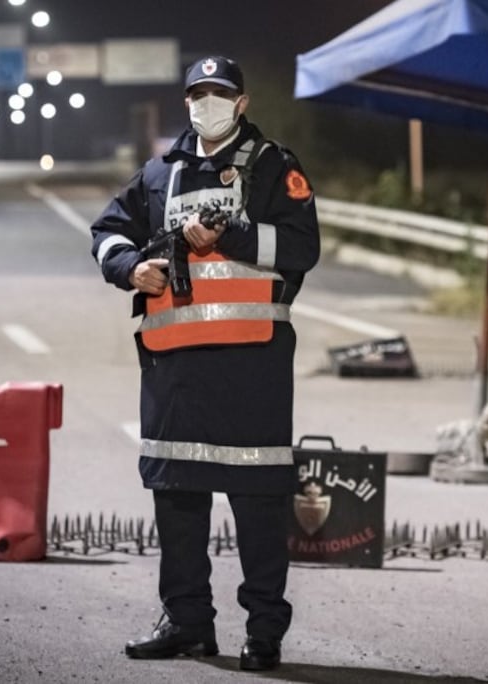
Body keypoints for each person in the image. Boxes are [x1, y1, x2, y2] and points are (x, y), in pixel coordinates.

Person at [89, 55, 320, 672]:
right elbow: (107, 231)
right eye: (198, 93)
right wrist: (129, 267)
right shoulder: (159, 173)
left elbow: (302, 247)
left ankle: (264, 631)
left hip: (253, 367)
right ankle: (188, 623)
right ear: (186, 101)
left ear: (241, 104)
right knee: (177, 499)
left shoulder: (275, 166)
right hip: (175, 369)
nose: (207, 103)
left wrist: (231, 234)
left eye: (220, 93)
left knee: (258, 502)